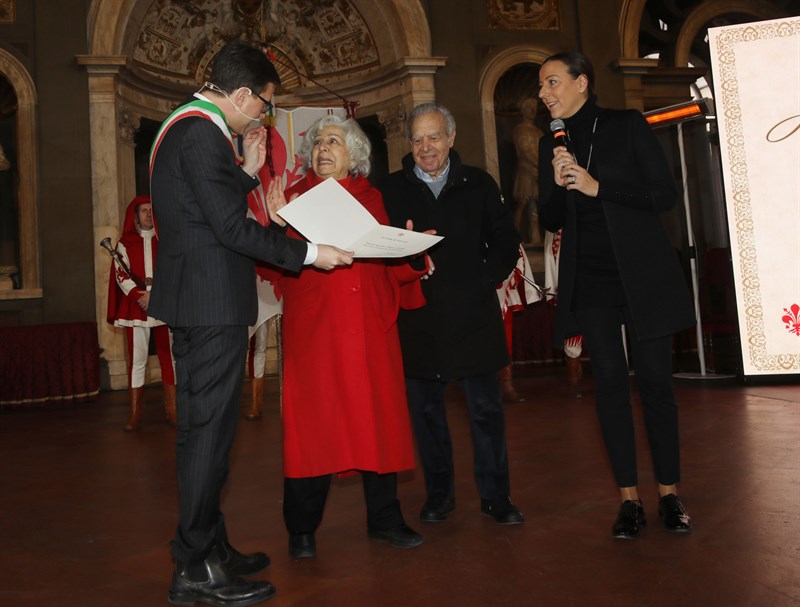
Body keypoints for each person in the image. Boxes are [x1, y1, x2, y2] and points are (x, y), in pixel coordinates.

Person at [148, 41, 353, 607]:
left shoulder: (186, 128)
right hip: (209, 305)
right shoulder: (199, 132)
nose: (262, 116)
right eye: (262, 105)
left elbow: (201, 205)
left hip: (198, 299)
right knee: (207, 438)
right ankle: (193, 567)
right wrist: (312, 254)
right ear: (239, 94)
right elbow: (232, 232)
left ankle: (209, 545)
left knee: (206, 436)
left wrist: (246, 175)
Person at [536, 51, 694, 539]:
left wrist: (596, 185)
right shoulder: (551, 144)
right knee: (608, 386)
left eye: (552, 82)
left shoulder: (627, 125)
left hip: (642, 273)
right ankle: (629, 500)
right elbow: (551, 218)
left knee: (654, 384)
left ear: (582, 83)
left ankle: (669, 493)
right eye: (541, 87)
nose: (544, 94)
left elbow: (663, 195)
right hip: (592, 278)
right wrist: (564, 185)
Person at [266, 114, 429, 558]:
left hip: (371, 331)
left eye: (333, 141)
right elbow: (268, 264)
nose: (323, 148)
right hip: (316, 334)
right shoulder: (293, 200)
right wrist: (276, 227)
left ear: (353, 154)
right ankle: (301, 530)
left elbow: (390, 266)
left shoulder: (374, 197)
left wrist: (412, 251)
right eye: (318, 142)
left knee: (379, 423)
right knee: (313, 431)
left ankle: (385, 519)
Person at [380, 103, 525, 526]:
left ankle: (497, 497)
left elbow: (505, 241)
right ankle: (439, 495)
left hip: (473, 316)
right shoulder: (391, 190)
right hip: (419, 321)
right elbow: (379, 249)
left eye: (435, 137)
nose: (426, 147)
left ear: (451, 138)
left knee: (486, 413)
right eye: (418, 138)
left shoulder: (479, 183)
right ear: (410, 143)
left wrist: (484, 279)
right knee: (427, 417)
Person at [106, 194, 176, 431]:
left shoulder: (165, 240)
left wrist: (156, 295)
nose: (147, 214)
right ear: (135, 215)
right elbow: (120, 274)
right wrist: (140, 296)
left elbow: (173, 269)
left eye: (150, 210)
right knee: (137, 361)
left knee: (170, 359)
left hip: (163, 304)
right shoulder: (125, 243)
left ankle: (173, 409)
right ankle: (136, 412)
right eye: (143, 210)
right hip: (137, 307)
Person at [543, 228, 584, 398]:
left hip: (593, 282)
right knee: (571, 329)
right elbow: (551, 253)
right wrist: (554, 287)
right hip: (568, 285)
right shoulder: (558, 229)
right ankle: (574, 381)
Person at [513, 97, 544, 246]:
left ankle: (536, 238)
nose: (533, 110)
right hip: (527, 171)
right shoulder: (521, 129)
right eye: (529, 107)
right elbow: (525, 150)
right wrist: (539, 165)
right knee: (523, 203)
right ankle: (514, 236)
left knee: (534, 205)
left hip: (538, 171)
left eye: (535, 107)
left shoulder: (538, 131)